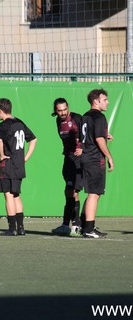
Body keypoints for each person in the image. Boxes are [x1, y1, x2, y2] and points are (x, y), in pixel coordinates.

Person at [0, 98, 37, 236]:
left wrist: (1, 155)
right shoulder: (19, 122)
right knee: (16, 195)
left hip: (8, 164)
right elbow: (33, 139)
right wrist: (26, 157)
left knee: (8, 195)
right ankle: (21, 228)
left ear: (1, 111)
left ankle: (12, 228)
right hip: (19, 165)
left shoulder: (3, 125)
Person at [81, 89, 114, 238]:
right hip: (95, 159)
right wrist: (109, 157)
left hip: (86, 157)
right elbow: (99, 140)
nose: (107, 102)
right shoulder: (99, 117)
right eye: (105, 99)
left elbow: (92, 134)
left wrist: (104, 134)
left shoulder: (86, 116)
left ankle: (86, 226)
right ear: (96, 101)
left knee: (91, 194)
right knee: (94, 194)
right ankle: (88, 230)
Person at [51, 98, 83, 237]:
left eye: (65, 109)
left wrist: (103, 134)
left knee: (74, 191)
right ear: (55, 111)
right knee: (68, 192)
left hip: (78, 159)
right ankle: (66, 225)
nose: (63, 113)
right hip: (68, 158)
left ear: (68, 107)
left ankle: (75, 225)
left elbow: (88, 131)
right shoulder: (58, 120)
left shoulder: (76, 118)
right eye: (60, 110)